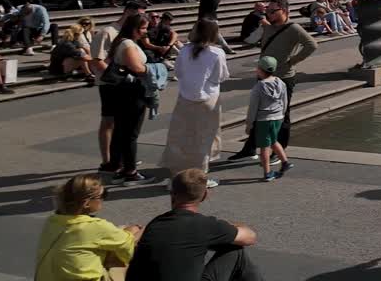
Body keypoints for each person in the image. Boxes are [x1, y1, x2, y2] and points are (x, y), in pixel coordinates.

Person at [126, 169, 262, 281]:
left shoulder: (155, 223)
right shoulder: (206, 225)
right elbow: (250, 237)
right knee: (235, 252)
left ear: (172, 194)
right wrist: (226, 227)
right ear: (205, 195)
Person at [227, 0, 318, 160]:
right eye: (267, 10)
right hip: (264, 75)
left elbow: (312, 44)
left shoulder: (294, 28)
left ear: (284, 10)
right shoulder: (268, 27)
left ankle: (279, 149)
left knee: (283, 114)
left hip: (283, 77)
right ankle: (249, 148)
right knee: (258, 112)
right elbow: (249, 41)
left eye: (272, 11)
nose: (268, 14)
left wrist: (292, 61)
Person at [161, 20, 231, 187]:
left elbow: (177, 72)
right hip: (209, 99)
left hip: (185, 97)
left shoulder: (184, 50)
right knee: (205, 138)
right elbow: (220, 76)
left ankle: (176, 176)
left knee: (180, 137)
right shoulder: (216, 52)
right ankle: (200, 178)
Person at [34, 174, 141, 281]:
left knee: (111, 243)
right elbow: (129, 251)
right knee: (136, 237)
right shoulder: (95, 226)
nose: (103, 199)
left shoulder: (52, 221)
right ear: (86, 203)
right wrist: (137, 229)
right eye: (102, 195)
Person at [100, 14, 152, 185]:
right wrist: (153, 69)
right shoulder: (128, 44)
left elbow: (108, 62)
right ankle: (131, 171)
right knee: (131, 133)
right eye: (143, 28)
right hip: (132, 92)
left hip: (120, 91)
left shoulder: (120, 41)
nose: (146, 31)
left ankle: (119, 165)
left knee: (121, 130)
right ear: (134, 28)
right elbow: (137, 68)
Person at [93, 3, 143, 172]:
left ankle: (121, 158)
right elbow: (97, 60)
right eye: (139, 15)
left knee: (122, 124)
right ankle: (107, 161)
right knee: (109, 121)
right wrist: (117, 79)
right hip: (110, 84)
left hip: (124, 85)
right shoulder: (108, 32)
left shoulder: (129, 33)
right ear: (128, 13)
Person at [246, 56, 293, 182]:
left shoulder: (259, 87)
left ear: (260, 70)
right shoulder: (281, 82)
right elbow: (285, 101)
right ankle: (285, 162)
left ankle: (267, 173)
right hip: (278, 117)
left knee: (264, 147)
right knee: (273, 141)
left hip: (264, 119)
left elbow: (253, 108)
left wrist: (249, 124)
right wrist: (282, 115)